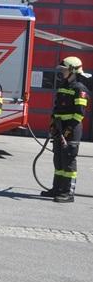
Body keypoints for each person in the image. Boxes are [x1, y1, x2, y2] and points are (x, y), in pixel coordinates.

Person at [41, 57, 89, 203]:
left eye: (64, 69)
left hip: (71, 129)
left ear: (73, 70)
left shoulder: (79, 89)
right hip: (59, 127)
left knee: (68, 161)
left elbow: (79, 114)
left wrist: (68, 129)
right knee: (58, 160)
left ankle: (68, 193)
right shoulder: (63, 86)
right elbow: (57, 107)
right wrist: (53, 123)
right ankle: (57, 189)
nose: (62, 72)